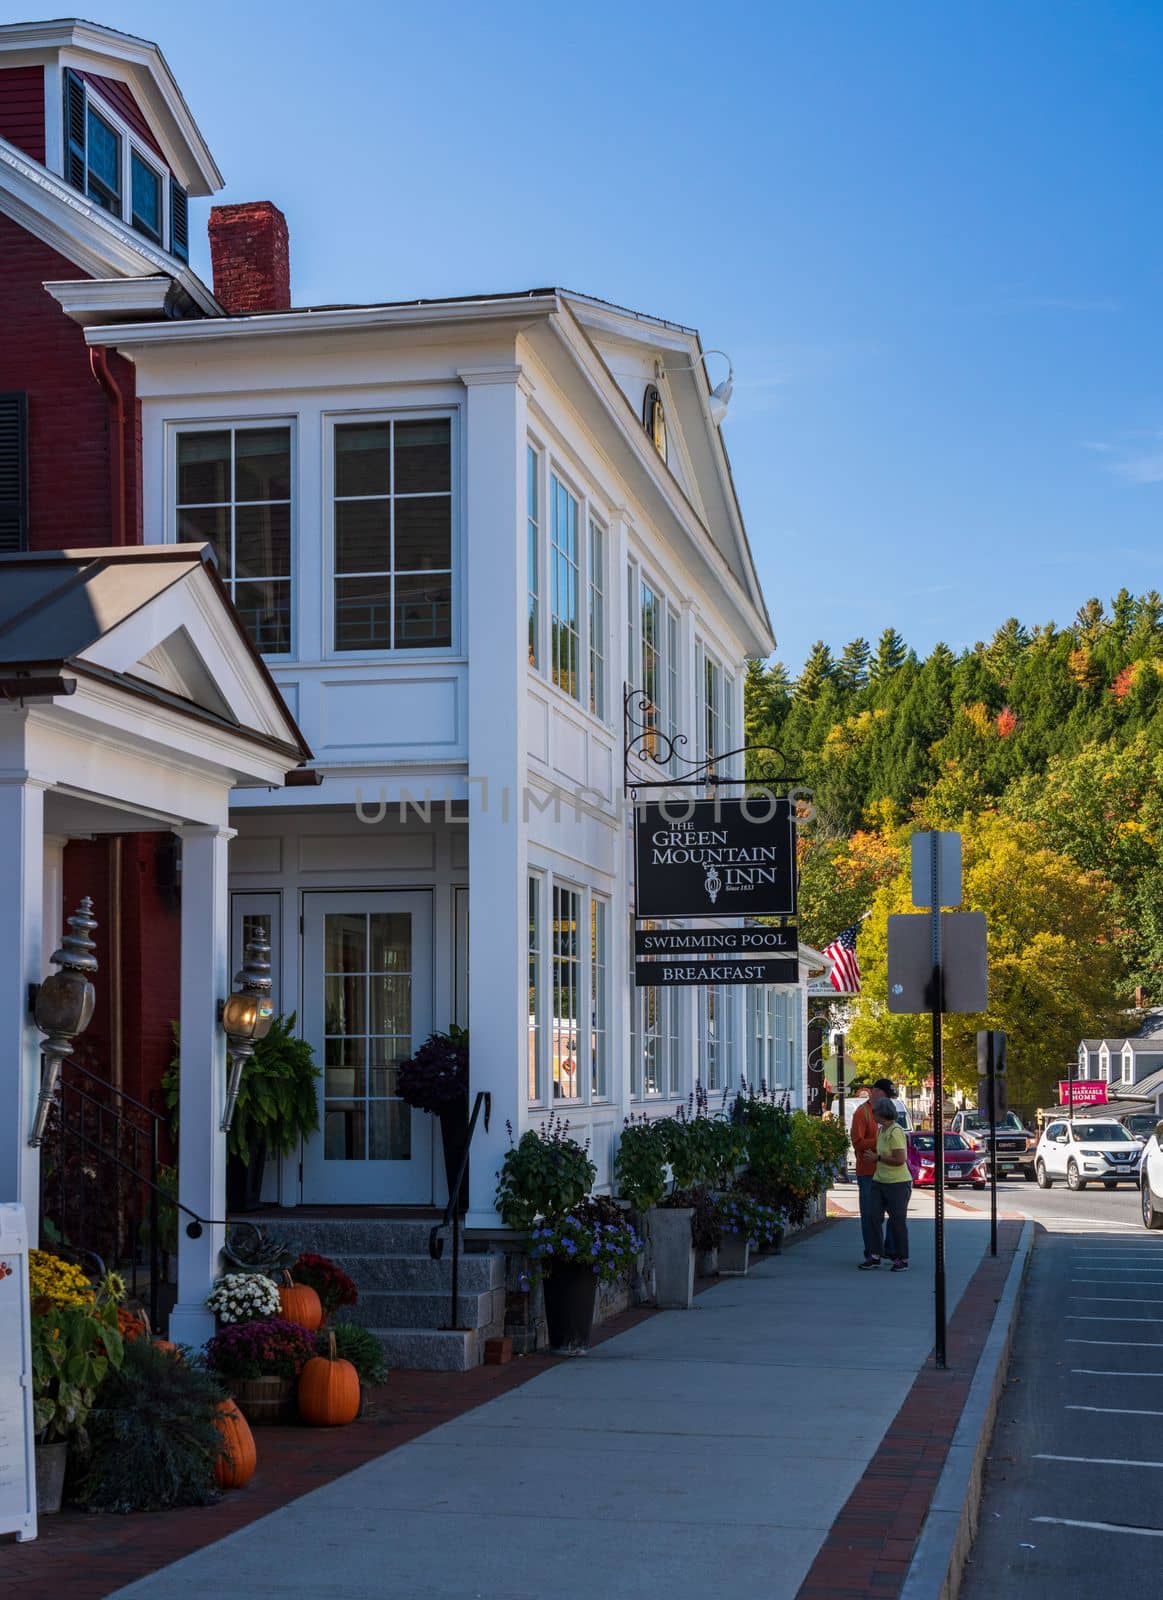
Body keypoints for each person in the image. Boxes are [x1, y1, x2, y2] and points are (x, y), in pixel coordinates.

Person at [871, 1097, 912, 1272]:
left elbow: (900, 1160)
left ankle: (901, 1258)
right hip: (879, 1180)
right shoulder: (881, 1131)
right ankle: (874, 1255)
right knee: (873, 1218)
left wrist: (878, 1158)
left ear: (882, 1113)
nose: (872, 1114)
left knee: (897, 1221)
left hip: (898, 1183)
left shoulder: (895, 1131)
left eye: (874, 1111)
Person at [852, 1080, 888, 1268]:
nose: (888, 1099)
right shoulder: (862, 1113)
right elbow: (857, 1143)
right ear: (876, 1092)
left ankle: (880, 1252)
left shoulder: (885, 1114)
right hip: (867, 1173)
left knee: (880, 1216)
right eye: (886, 1094)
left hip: (884, 1172)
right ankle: (872, 1254)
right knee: (868, 1215)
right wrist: (880, 1140)